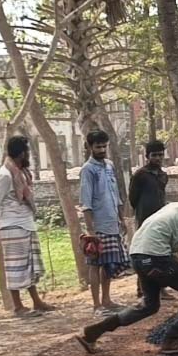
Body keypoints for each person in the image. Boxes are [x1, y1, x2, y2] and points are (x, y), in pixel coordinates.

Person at [75, 187, 178, 356]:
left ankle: (92, 332)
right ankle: (173, 340)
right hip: (154, 255)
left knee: (150, 305)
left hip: (137, 254)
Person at [0, 135, 55, 317]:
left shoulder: (21, 173)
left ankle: (36, 301)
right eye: (27, 151)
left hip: (25, 223)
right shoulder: (5, 175)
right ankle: (17, 306)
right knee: (15, 266)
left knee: (30, 265)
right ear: (21, 153)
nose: (28, 155)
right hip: (11, 224)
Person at [80, 130, 130, 314]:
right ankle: (96, 305)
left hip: (112, 223)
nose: (101, 149)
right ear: (90, 147)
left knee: (108, 264)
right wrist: (90, 230)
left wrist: (120, 218)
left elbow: (116, 196)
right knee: (95, 265)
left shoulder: (109, 166)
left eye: (104, 146)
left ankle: (107, 300)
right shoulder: (88, 170)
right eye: (98, 146)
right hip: (98, 225)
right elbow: (86, 202)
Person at [128, 140, 169, 298]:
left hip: (161, 219)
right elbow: (133, 198)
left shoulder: (163, 176)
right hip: (144, 219)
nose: (157, 158)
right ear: (147, 157)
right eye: (154, 155)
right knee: (144, 253)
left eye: (160, 155)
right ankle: (142, 289)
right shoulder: (140, 175)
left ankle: (161, 288)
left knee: (161, 252)